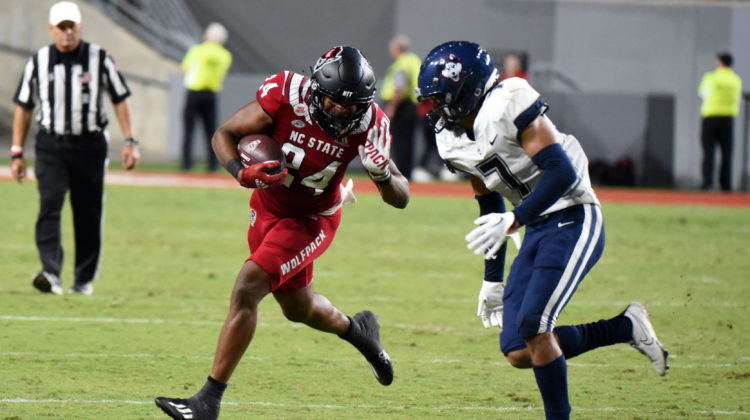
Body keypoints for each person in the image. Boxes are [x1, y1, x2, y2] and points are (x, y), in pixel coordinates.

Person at [416, 41, 668, 420]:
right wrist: (491, 280)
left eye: (443, 99)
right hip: (535, 225)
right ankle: (625, 327)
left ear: (466, 91)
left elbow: (561, 172)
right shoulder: (451, 141)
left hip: (573, 213)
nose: (436, 109)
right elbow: (489, 208)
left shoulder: (509, 100)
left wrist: (515, 219)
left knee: (535, 327)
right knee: (519, 350)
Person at [155, 46, 410, 420]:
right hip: (267, 208)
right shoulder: (287, 95)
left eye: (355, 105)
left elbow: (401, 198)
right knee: (298, 308)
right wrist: (240, 172)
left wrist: (384, 175)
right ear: (317, 90)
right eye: (337, 102)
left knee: (248, 287)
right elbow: (225, 133)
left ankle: (207, 402)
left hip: (311, 220)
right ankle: (360, 332)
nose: (346, 111)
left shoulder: (370, 123)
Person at [11, 1, 140, 296]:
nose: (67, 32)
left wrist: (130, 140)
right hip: (51, 145)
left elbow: (120, 98)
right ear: (51, 29)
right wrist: (17, 151)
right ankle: (50, 272)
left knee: (88, 212)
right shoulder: (38, 61)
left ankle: (83, 279)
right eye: (61, 27)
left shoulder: (100, 59)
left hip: (90, 145)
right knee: (50, 204)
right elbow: (24, 107)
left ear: (80, 27)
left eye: (72, 26)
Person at [181, 22, 232, 172]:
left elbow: (185, 68)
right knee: (211, 132)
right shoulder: (225, 55)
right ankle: (212, 165)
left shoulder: (197, 50)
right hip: (211, 94)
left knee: (189, 130)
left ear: (207, 35)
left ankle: (187, 164)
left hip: (194, 92)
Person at [698, 51, 742, 191]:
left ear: (720, 63)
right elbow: (737, 99)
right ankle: (726, 186)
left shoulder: (710, 78)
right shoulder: (736, 80)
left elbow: (702, 93)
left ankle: (707, 183)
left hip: (710, 116)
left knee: (708, 152)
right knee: (727, 153)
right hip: (728, 119)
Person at [381, 34, 422, 180]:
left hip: (401, 107)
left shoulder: (401, 63)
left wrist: (391, 107)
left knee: (399, 142)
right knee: (408, 141)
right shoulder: (413, 60)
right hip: (412, 106)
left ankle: (402, 174)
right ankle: (407, 173)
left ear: (398, 48)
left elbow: (399, 87)